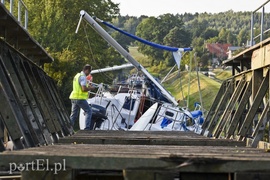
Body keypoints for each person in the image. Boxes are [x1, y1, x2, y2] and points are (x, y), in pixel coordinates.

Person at [69, 64, 94, 130]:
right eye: (89, 71)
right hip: (79, 98)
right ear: (87, 70)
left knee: (73, 115)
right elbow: (83, 89)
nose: (89, 73)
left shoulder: (77, 75)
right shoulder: (83, 77)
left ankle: (68, 128)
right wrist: (90, 88)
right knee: (89, 111)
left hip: (74, 97)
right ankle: (87, 129)